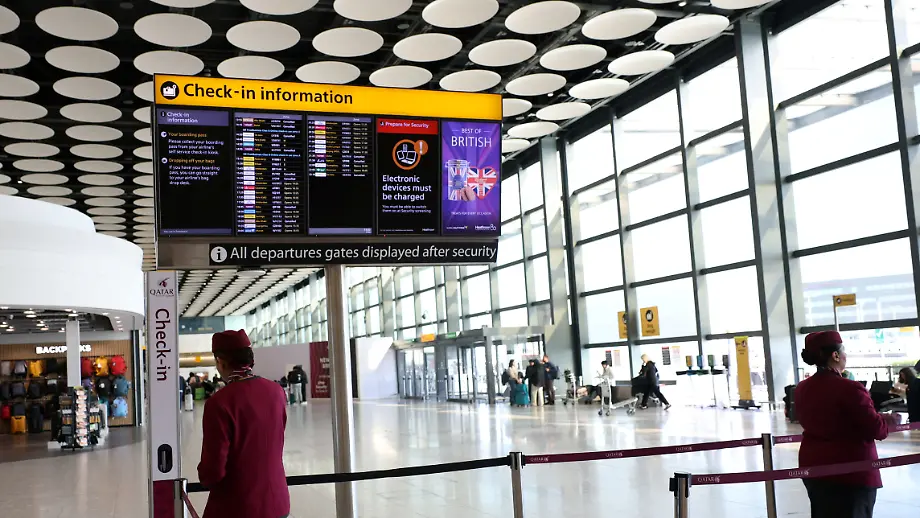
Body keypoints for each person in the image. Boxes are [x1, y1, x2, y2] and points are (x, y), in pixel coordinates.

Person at [795, 331, 898, 518]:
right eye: (844, 351)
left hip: (814, 468)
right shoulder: (850, 388)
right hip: (851, 472)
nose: (845, 356)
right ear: (835, 355)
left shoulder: (802, 387)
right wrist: (889, 420)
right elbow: (876, 429)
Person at [198, 329, 290, 518]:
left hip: (238, 507)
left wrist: (204, 475)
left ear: (220, 361)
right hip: (278, 502)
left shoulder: (219, 403)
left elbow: (213, 470)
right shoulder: (276, 392)